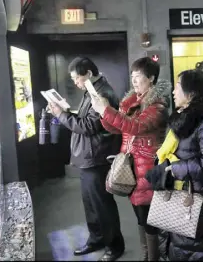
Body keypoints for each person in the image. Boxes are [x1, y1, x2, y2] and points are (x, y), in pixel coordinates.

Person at [145, 69, 203, 261]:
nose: (173, 92)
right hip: (181, 201)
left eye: (177, 87)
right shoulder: (182, 121)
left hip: (200, 208)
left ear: (191, 93)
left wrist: (175, 169)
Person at [91, 57, 170, 261]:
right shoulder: (132, 103)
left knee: (149, 218)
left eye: (139, 77)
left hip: (148, 167)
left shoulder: (158, 106)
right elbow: (117, 127)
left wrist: (107, 111)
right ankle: (147, 255)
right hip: (132, 165)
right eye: (132, 77)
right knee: (140, 215)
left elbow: (135, 127)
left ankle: (152, 257)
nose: (134, 81)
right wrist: (103, 113)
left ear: (151, 78)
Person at [48, 56, 124, 261]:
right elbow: (85, 120)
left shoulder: (102, 93)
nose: (75, 83)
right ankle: (97, 239)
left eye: (77, 78)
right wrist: (65, 112)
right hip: (88, 157)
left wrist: (61, 115)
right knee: (91, 204)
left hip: (97, 157)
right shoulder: (92, 89)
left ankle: (115, 246)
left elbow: (89, 126)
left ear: (89, 74)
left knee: (102, 205)